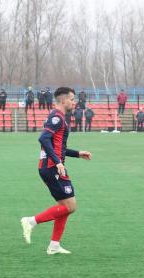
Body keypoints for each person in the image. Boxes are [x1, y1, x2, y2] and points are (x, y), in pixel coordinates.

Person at [20, 87, 92, 255]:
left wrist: (77, 154)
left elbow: (57, 147)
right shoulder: (57, 118)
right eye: (72, 99)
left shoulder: (59, 117)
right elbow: (43, 138)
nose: (74, 102)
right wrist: (58, 162)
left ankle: (54, 245)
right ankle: (31, 221)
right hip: (52, 167)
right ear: (62, 100)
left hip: (52, 166)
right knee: (70, 206)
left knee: (65, 206)